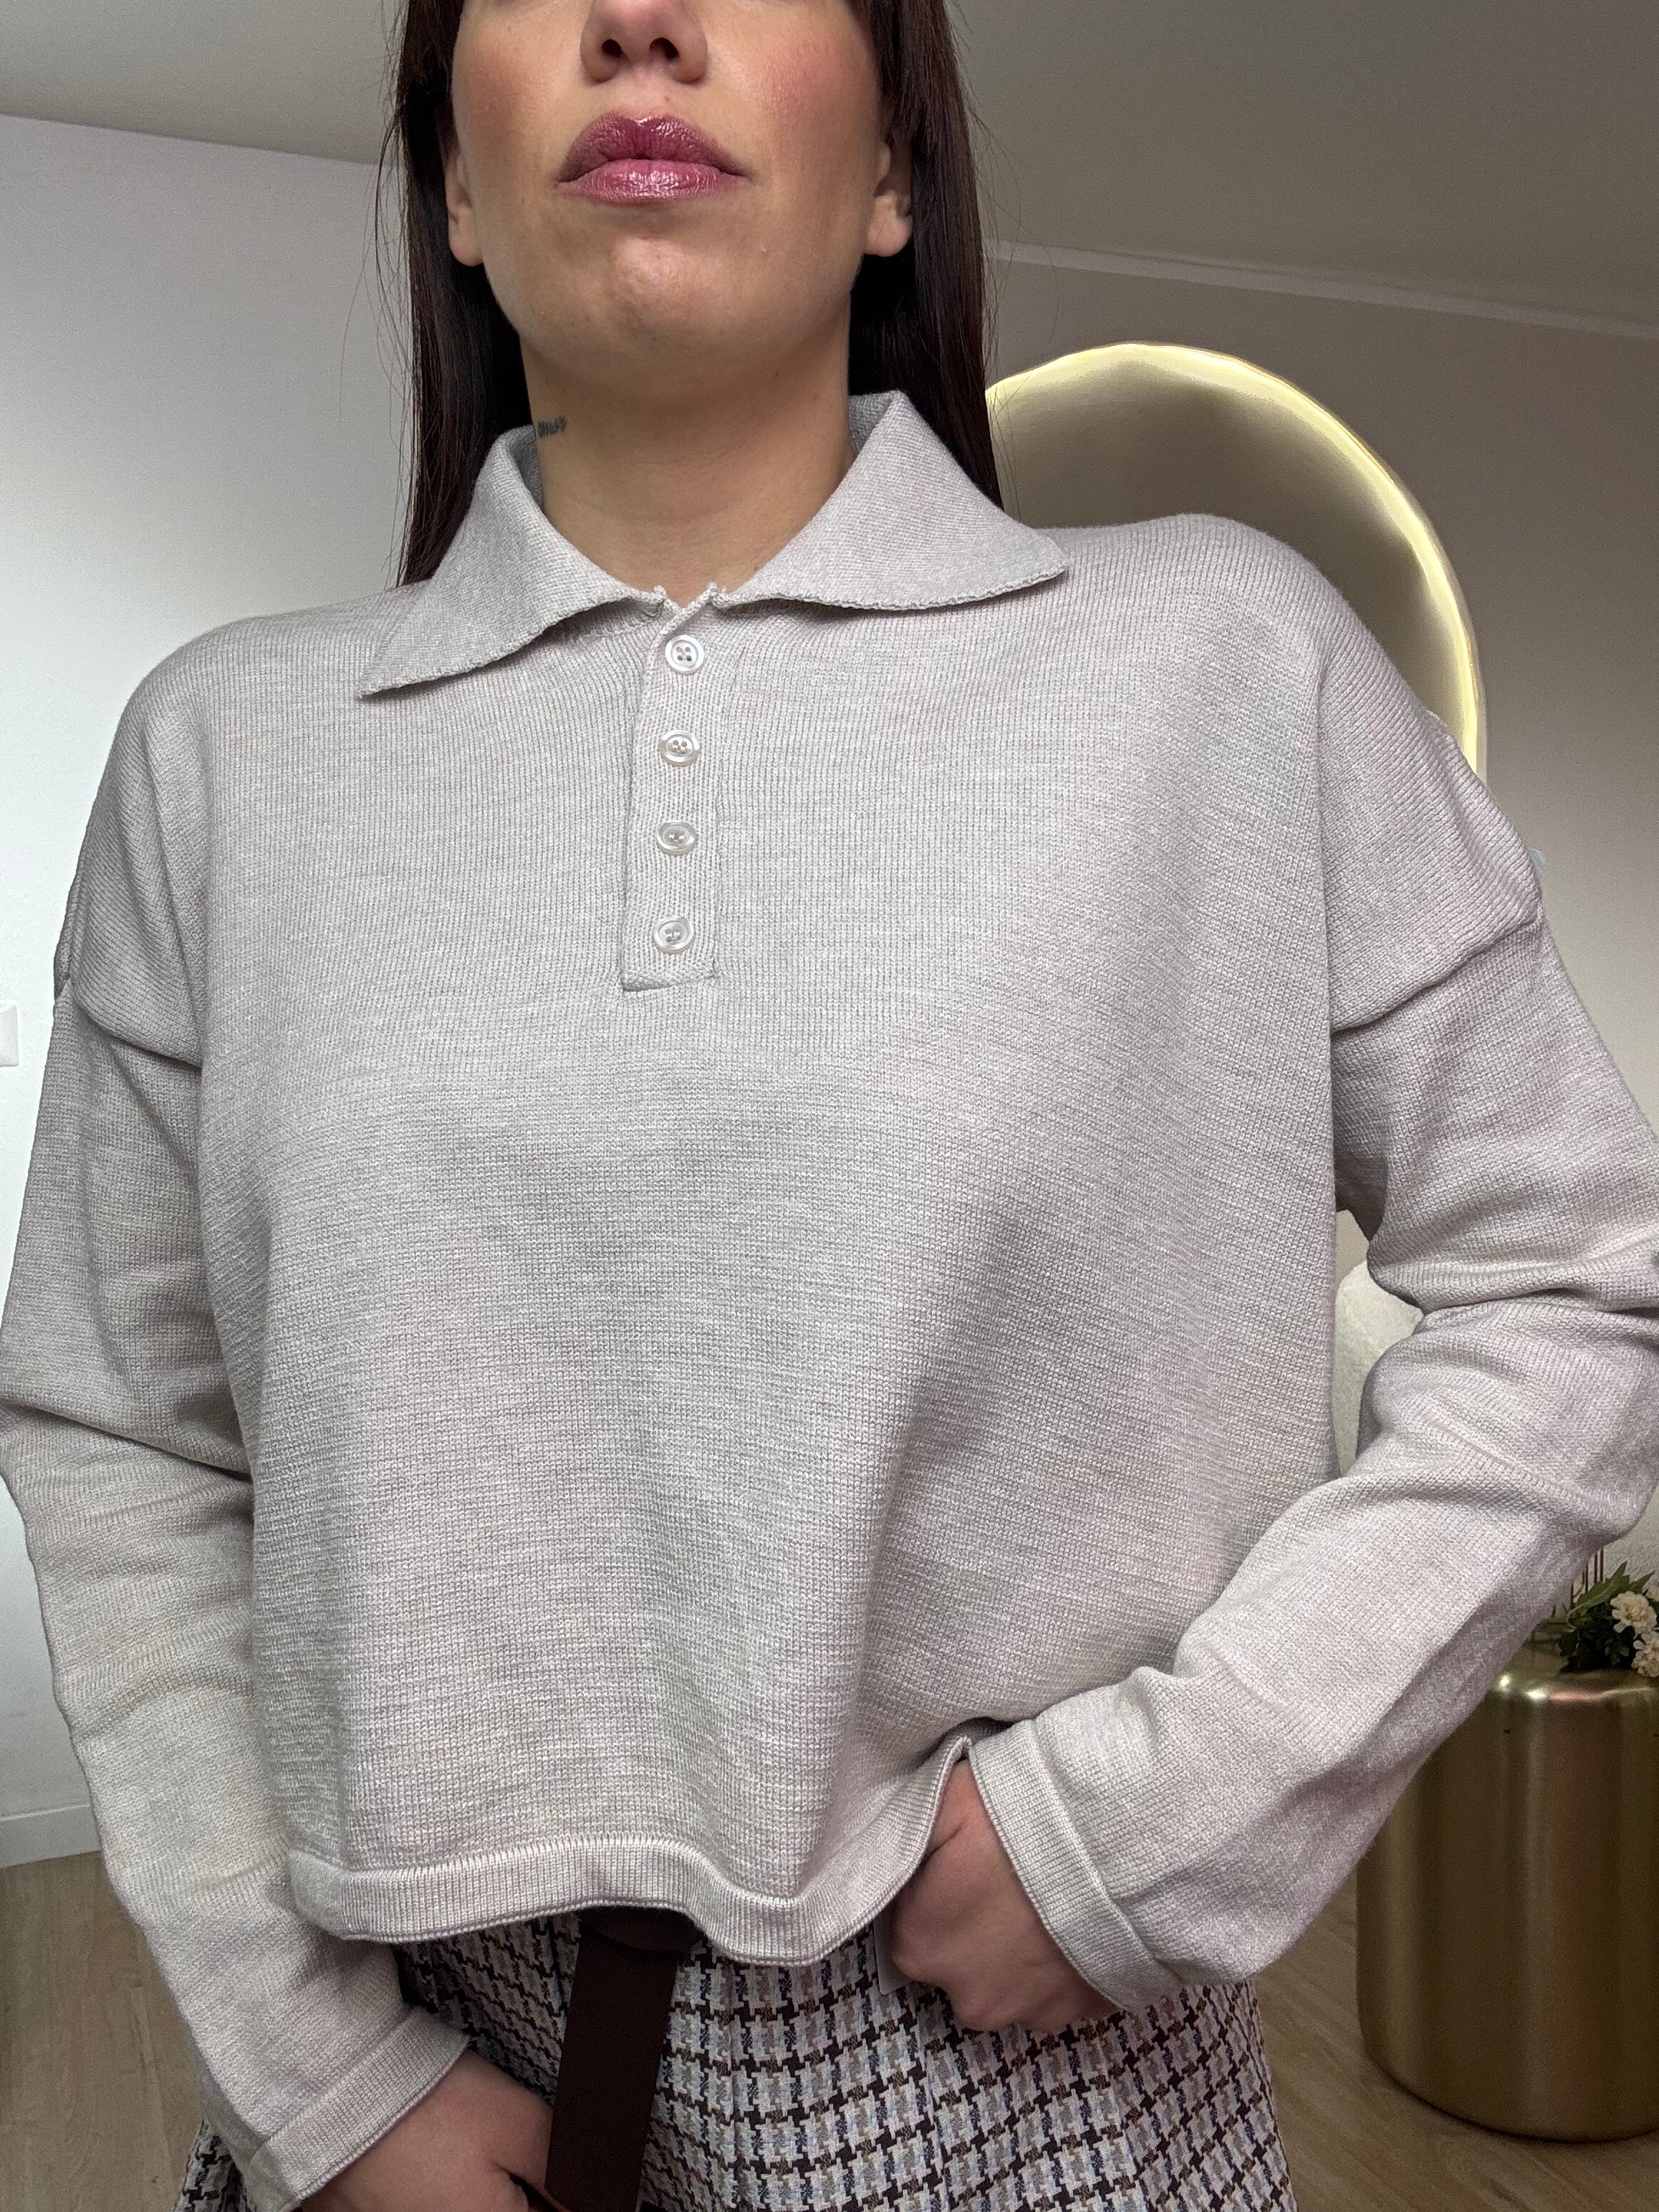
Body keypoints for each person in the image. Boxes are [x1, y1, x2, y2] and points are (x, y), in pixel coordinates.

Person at [4, 1, 1658, 2208]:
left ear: (893, 171)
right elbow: (119, 1423)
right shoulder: (228, 755)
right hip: (411, 2071)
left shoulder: (1227, 663)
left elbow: (1578, 1273)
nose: (639, 21)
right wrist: (319, 2077)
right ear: (457, 188)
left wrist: (1165, 1816)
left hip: (1030, 2068)